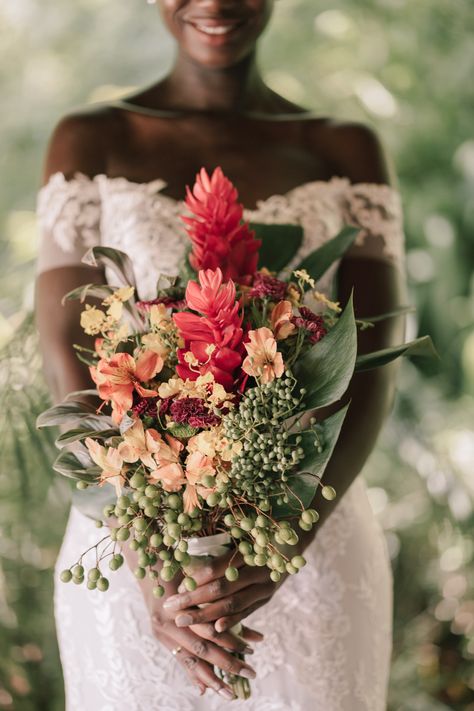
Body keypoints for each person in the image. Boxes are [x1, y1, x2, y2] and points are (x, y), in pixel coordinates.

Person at [35, 1, 407, 709]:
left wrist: (290, 538)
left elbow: (375, 354)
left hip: (307, 544)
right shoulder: (90, 138)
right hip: (135, 540)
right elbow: (68, 355)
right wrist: (149, 555)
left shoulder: (345, 147)